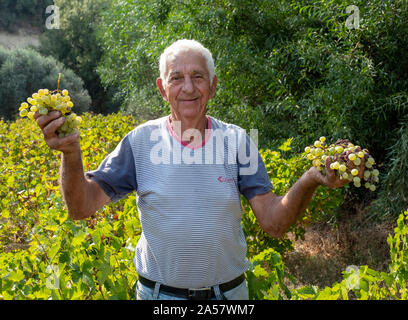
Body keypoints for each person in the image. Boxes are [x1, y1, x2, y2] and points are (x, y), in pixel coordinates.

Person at [34, 39, 363, 300]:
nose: (188, 88)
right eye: (176, 78)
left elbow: (274, 224)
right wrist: (71, 154)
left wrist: (309, 180)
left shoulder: (237, 142)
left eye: (198, 77)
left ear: (213, 85)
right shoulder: (139, 142)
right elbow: (81, 208)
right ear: (163, 89)